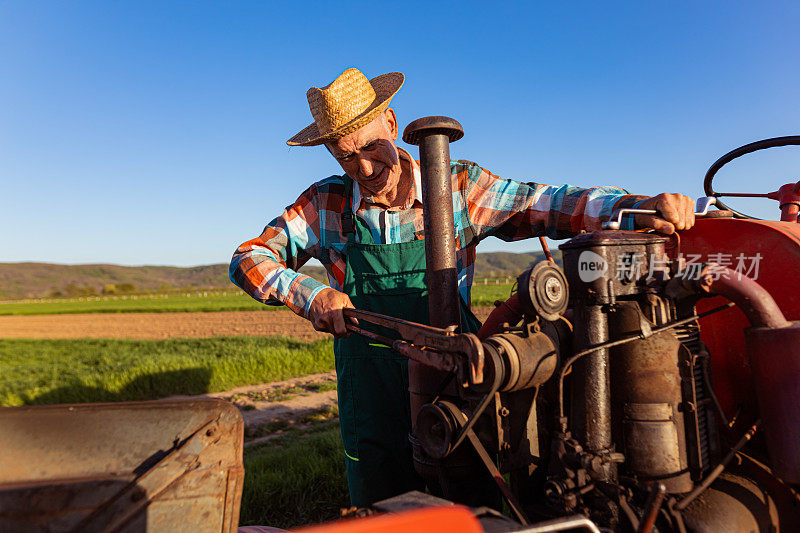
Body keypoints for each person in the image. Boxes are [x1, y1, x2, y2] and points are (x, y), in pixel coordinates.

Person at [229, 67, 696, 508]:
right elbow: (248, 257)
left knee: (468, 496)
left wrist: (634, 207)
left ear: (390, 123)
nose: (364, 167)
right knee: (380, 504)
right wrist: (311, 294)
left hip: (455, 383)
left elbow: (547, 202)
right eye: (345, 155)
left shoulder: (457, 185)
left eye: (370, 147)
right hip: (372, 393)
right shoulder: (324, 202)